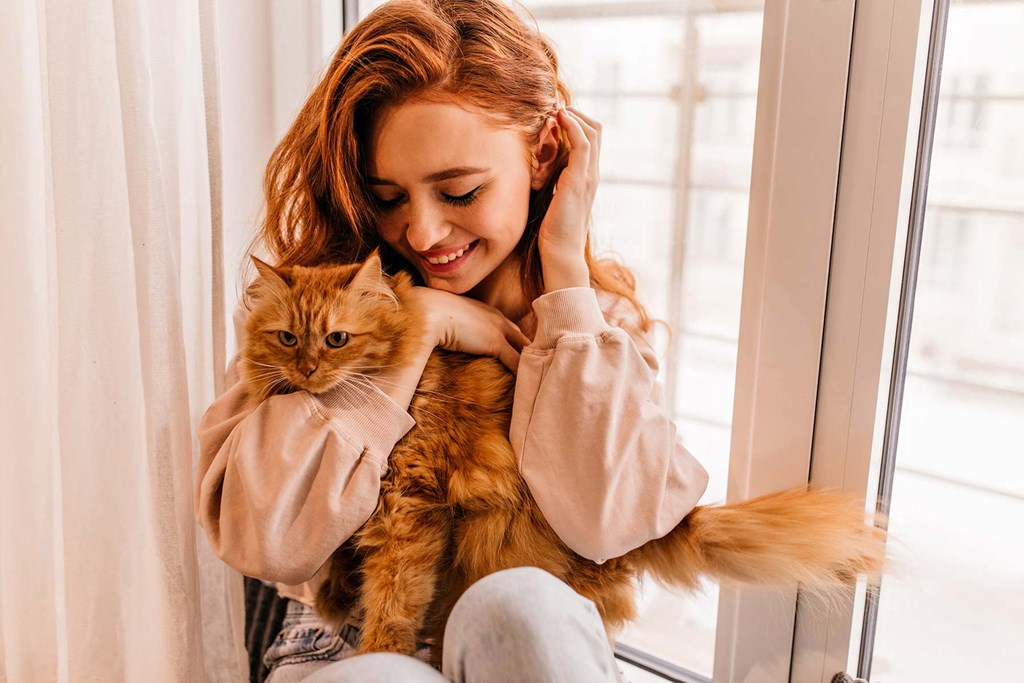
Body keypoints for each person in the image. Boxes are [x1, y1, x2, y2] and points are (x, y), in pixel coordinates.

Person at [194, 1, 709, 681]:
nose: (423, 233)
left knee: (526, 606)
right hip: (341, 640)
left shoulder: (596, 325)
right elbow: (264, 537)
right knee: (378, 676)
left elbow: (606, 526)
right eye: (388, 198)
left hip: (523, 649)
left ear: (542, 154)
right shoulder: (305, 306)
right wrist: (415, 329)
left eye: (460, 191)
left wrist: (563, 270)